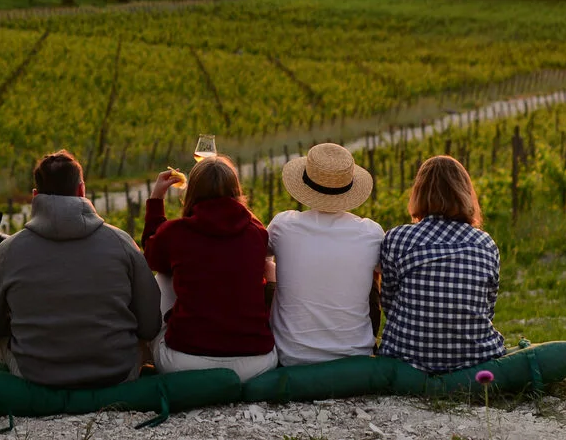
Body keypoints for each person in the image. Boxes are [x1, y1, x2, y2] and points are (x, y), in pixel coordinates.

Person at [0, 150, 161, 388]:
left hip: (34, 374)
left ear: (35, 196)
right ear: (82, 190)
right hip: (117, 371)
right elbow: (151, 323)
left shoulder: (8, 251)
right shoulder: (122, 242)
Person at [141, 156, 276, 381]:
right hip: (256, 363)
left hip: (186, 362)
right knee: (265, 267)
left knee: (163, 276)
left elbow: (151, 259)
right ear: (237, 192)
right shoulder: (256, 233)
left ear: (191, 192)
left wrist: (156, 199)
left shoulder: (175, 232)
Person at [376, 155, 506, 373]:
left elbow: (388, 303)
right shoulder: (485, 243)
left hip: (405, 357)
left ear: (418, 193)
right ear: (465, 193)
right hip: (476, 359)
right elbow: (486, 308)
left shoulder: (397, 238)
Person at [268, 142, 384, 366]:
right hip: (355, 356)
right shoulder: (371, 232)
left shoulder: (282, 225)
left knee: (269, 274)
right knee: (372, 278)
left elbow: (258, 258)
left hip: (289, 357)